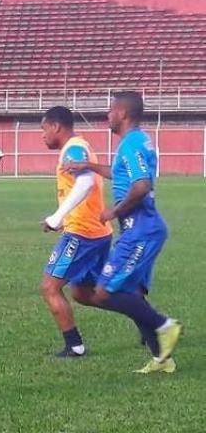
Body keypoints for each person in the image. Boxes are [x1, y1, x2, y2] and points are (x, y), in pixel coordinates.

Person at [66, 91, 182, 373]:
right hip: (144, 229)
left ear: (123, 113)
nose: (108, 115)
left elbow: (142, 186)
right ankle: (162, 359)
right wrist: (89, 165)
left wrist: (113, 212)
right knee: (131, 294)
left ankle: (165, 325)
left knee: (105, 292)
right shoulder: (136, 141)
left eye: (110, 110)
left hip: (140, 231)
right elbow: (121, 174)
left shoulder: (131, 144)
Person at [38, 106, 112, 358]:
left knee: (50, 287)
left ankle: (75, 346)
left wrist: (57, 217)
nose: (43, 135)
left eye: (44, 128)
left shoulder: (72, 148)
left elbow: (86, 180)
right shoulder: (78, 146)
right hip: (96, 232)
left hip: (82, 233)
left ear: (56, 126)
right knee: (83, 293)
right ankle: (142, 313)